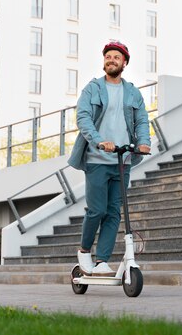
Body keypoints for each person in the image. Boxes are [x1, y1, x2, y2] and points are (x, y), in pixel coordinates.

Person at [67, 41, 151, 276]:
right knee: (97, 210)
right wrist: (99, 140)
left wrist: (144, 143)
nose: (111, 60)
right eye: (108, 56)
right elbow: (83, 118)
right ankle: (84, 251)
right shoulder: (92, 89)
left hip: (122, 161)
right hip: (97, 159)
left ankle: (102, 259)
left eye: (116, 57)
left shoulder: (133, 92)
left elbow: (142, 120)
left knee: (114, 211)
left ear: (124, 63)